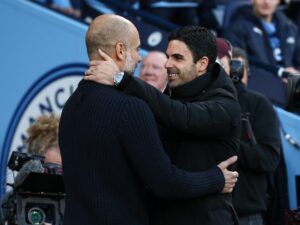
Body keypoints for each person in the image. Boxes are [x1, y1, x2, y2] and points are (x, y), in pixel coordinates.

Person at [59, 14, 239, 225]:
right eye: (136, 49)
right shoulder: (132, 107)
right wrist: (215, 178)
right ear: (120, 50)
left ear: (202, 64)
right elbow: (164, 181)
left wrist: (121, 80)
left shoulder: (72, 104)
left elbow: (183, 116)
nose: (166, 64)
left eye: (177, 58)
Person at [216, 38, 281, 225]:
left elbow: (269, 159)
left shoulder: (258, 104)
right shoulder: (196, 100)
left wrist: (227, 142)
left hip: (246, 213)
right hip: (204, 211)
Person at [223, 0, 300, 105]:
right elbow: (237, 68)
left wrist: (295, 74)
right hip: (263, 91)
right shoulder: (237, 28)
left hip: (292, 86)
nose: (266, 2)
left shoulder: (289, 27)